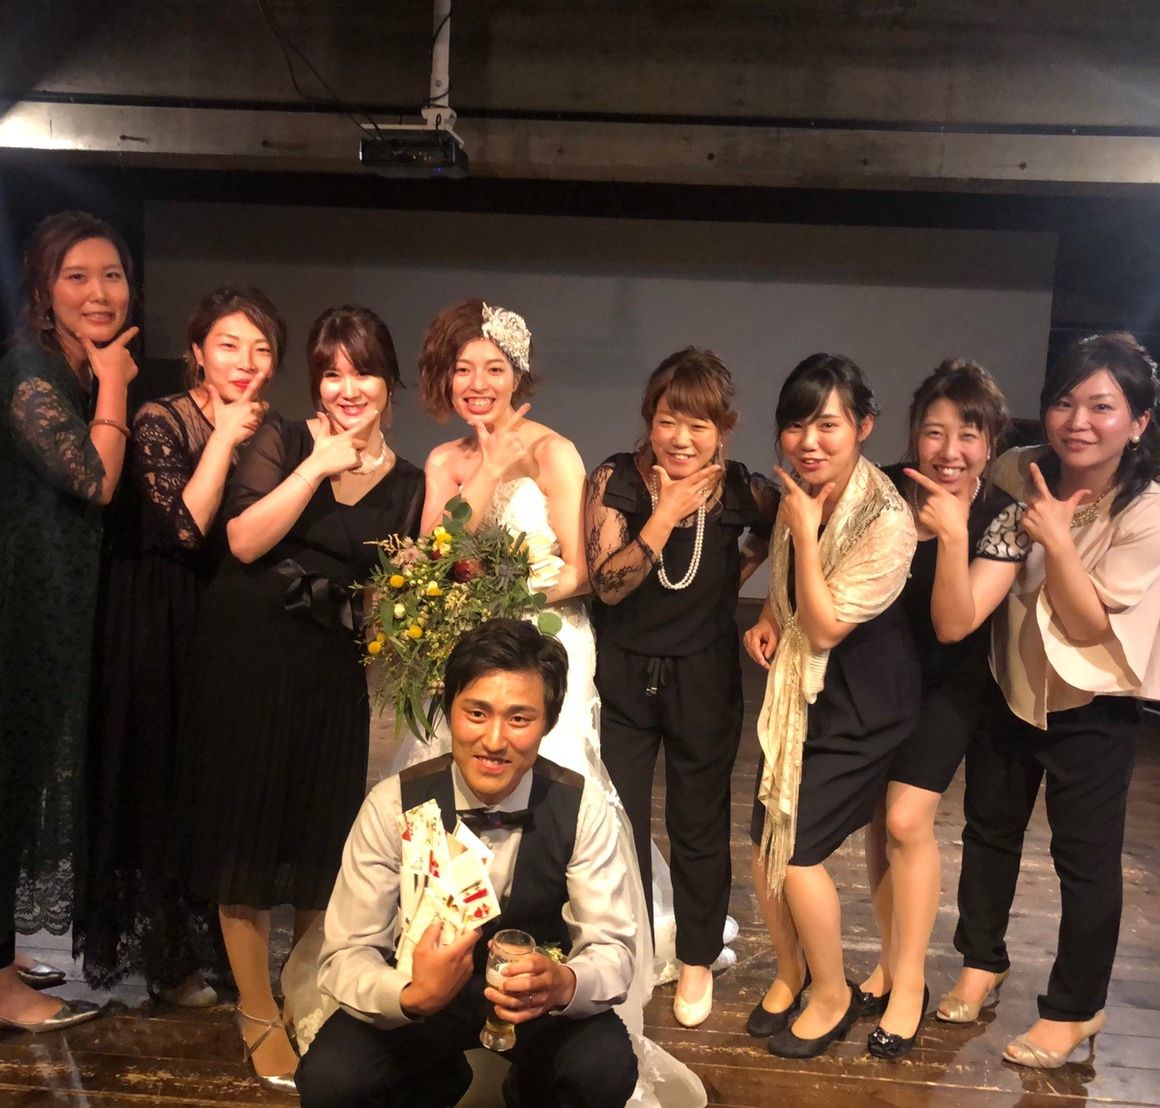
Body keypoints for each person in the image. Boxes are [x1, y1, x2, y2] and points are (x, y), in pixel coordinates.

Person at [174, 305, 424, 1091]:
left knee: (319, 840)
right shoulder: (282, 439)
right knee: (246, 835)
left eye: (363, 372)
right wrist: (317, 466)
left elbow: (383, 599)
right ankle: (255, 1011)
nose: (347, 388)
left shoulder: (411, 482)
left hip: (330, 670)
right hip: (249, 656)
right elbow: (244, 539)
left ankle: (302, 991)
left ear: (389, 382)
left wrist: (407, 600)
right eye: (331, 373)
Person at [921, 332, 1160, 1067]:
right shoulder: (1019, 468)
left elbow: (1089, 624)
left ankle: (1075, 1008)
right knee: (989, 832)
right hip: (1009, 684)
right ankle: (981, 962)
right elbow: (969, 487)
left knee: (1084, 859)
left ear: (1138, 422)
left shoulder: (1146, 509)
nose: (1078, 421)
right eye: (1065, 402)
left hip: (1093, 702)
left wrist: (1056, 538)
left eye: (1102, 407)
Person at [296, 619, 639, 1108]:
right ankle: (433, 1081)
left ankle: (530, 1091)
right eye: (476, 713)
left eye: (519, 719)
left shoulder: (581, 807)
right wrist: (411, 996)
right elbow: (347, 951)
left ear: (548, 723)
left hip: (534, 1006)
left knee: (604, 1069)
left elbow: (612, 947)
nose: (494, 741)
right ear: (449, 709)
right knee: (331, 1078)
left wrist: (564, 983)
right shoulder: (393, 803)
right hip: (418, 998)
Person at [77, 286, 285, 1004]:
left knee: (216, 785)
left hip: (226, 622)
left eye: (261, 349)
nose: (245, 361)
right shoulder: (160, 418)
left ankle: (217, 947)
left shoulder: (272, 428)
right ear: (197, 352)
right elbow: (188, 528)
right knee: (162, 781)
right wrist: (223, 436)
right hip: (159, 617)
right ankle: (169, 963)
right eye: (228, 345)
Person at [586, 348, 777, 1028]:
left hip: (704, 675)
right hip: (624, 673)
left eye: (699, 424)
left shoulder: (741, 489)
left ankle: (697, 958)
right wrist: (665, 512)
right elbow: (607, 584)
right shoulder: (617, 478)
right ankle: (628, 948)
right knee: (619, 822)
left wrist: (741, 581)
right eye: (669, 420)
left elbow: (783, 528)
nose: (682, 438)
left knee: (699, 822)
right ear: (649, 418)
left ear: (724, 428)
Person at [744, 353, 919, 1059]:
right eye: (795, 426)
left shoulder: (886, 517)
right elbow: (791, 595)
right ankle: (791, 974)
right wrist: (767, 616)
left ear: (863, 427)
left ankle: (832, 993)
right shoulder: (803, 491)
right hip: (804, 693)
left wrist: (804, 529)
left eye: (827, 425)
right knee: (764, 841)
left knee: (797, 853)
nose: (808, 442)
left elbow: (822, 629)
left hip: (865, 704)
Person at [859, 360, 1025, 1058]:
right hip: (875, 679)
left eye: (968, 434)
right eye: (934, 432)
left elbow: (956, 625)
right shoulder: (883, 490)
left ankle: (910, 985)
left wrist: (954, 535)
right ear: (913, 434)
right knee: (878, 821)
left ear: (991, 443)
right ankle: (888, 959)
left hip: (950, 687)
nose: (949, 450)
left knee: (907, 820)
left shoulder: (1002, 517)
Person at [0, 210, 138, 1031]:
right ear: (43, 290)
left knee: (20, 786)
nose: (98, 292)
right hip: (18, 615)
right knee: (8, 785)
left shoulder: (62, 370)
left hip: (46, 612)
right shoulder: (30, 371)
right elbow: (93, 480)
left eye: (111, 275)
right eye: (76, 276)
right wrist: (116, 383)